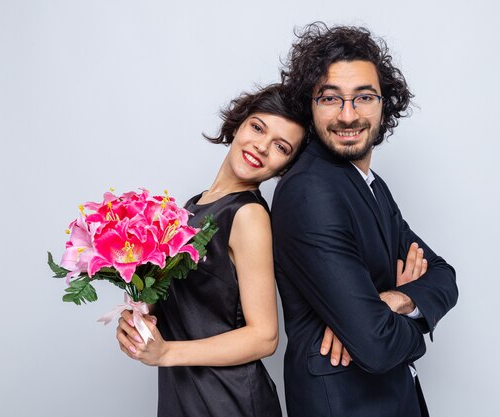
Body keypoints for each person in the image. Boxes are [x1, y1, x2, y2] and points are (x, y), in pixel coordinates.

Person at [272, 22, 459, 416]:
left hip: (388, 398)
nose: (348, 115)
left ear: (384, 104)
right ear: (310, 105)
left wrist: (396, 300)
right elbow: (374, 344)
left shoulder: (370, 183)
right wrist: (399, 324)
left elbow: (443, 275)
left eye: (364, 97)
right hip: (346, 404)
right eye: (330, 99)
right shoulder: (310, 190)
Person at [115, 84, 305, 417]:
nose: (261, 146)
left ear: (284, 168)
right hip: (185, 393)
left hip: (227, 400)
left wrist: (166, 353)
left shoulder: (248, 215)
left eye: (280, 147)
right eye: (258, 127)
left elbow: (265, 337)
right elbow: (187, 307)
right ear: (238, 124)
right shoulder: (193, 206)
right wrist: (137, 316)